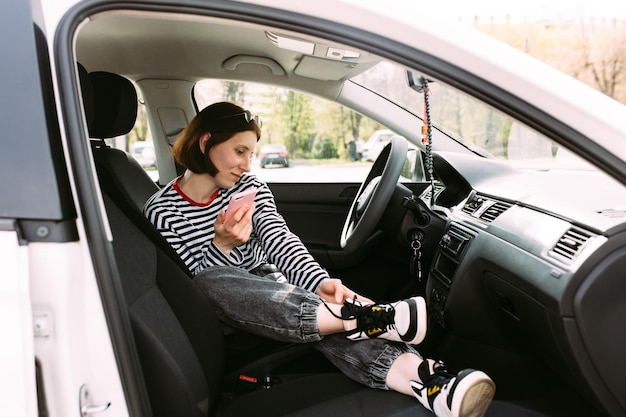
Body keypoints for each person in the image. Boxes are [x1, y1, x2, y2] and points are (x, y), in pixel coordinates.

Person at [144, 101, 495, 417]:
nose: (246, 165)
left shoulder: (248, 187)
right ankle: (360, 319)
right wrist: (221, 245)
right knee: (210, 281)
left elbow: (282, 242)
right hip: (224, 305)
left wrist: (321, 282)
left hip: (279, 297)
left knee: (327, 314)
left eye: (251, 154)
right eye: (239, 151)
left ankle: (432, 384)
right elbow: (192, 292)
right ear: (205, 143)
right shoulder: (161, 212)